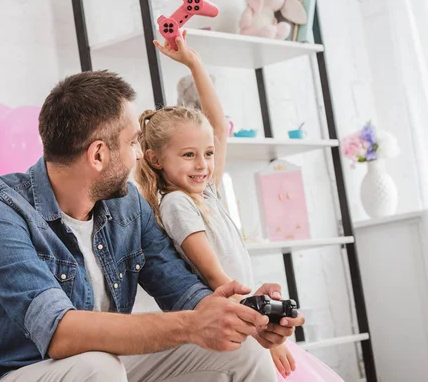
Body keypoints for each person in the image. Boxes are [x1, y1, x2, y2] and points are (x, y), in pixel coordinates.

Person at [0, 45, 305, 382]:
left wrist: (245, 316)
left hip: (101, 363)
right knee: (98, 367)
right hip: (13, 371)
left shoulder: (126, 204)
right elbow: (58, 331)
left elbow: (182, 290)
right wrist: (191, 326)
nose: (138, 155)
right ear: (98, 154)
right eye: (132, 143)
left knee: (242, 354)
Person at [136, 32, 344, 381]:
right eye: (188, 155)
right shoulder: (176, 204)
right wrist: (261, 331)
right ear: (156, 159)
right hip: (237, 316)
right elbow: (215, 276)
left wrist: (194, 63)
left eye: (207, 154)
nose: (202, 164)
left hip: (249, 313)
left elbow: (218, 127)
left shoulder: (207, 193)